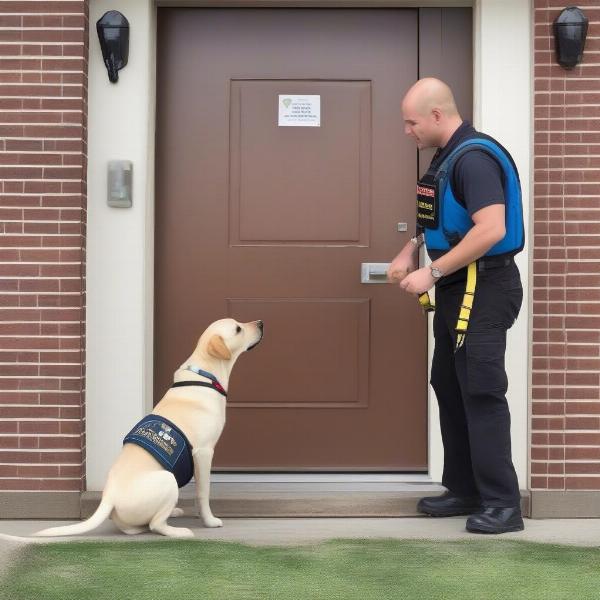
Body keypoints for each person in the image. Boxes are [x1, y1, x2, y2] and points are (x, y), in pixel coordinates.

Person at [388, 78, 525, 534]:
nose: (407, 131)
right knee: (449, 383)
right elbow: (443, 216)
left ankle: (503, 505)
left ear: (436, 116)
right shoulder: (446, 157)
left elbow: (489, 229)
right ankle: (464, 490)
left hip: (484, 287)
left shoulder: (475, 159)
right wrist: (411, 249)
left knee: (482, 390)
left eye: (411, 122)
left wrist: (432, 271)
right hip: (458, 287)